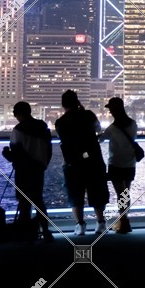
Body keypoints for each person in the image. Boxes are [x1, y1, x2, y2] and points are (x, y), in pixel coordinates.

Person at [55, 89, 109, 236]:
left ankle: (80, 225)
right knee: (97, 191)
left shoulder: (60, 122)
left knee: (75, 193)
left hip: (73, 162)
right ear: (77, 101)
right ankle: (100, 222)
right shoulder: (89, 115)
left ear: (63, 104)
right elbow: (98, 128)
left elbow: (63, 138)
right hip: (94, 160)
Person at [2, 100, 54, 242]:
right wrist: (44, 164)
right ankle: (46, 230)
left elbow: (14, 155)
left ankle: (25, 234)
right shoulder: (43, 126)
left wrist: (5, 152)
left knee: (24, 201)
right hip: (38, 169)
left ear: (18, 114)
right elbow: (49, 150)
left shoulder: (18, 130)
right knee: (39, 200)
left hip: (23, 170)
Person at [101, 97, 137, 234]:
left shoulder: (112, 128)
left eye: (110, 108)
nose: (109, 111)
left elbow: (102, 138)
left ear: (114, 109)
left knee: (119, 193)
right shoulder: (133, 124)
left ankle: (123, 222)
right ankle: (124, 219)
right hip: (130, 162)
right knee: (126, 192)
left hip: (115, 162)